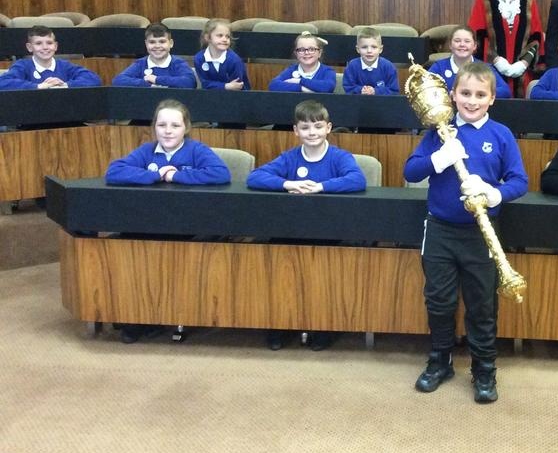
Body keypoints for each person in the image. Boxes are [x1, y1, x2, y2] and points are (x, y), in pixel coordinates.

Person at [403, 62, 528, 403]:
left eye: (480, 95)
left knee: (482, 304)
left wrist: (493, 193)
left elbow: (519, 181)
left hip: (481, 235)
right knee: (439, 301)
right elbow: (411, 172)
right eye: (465, 93)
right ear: (453, 95)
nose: (472, 101)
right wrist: (440, 159)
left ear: (492, 99)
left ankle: (484, 369)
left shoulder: (501, 135)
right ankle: (440, 361)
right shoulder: (438, 133)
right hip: (440, 230)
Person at [105, 99, 231, 344]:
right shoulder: (147, 151)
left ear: (186, 128)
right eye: (162, 125)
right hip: (148, 223)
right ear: (154, 127)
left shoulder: (196, 150)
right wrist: (154, 175)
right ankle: (138, 316)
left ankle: (163, 313)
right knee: (128, 249)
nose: (168, 131)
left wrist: (176, 175)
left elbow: (220, 173)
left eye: (175, 125)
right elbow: (114, 171)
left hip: (187, 226)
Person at [247, 99, 366, 351]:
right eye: (305, 127)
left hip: (330, 232)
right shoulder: (289, 158)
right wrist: (287, 184)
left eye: (318, 127)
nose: (312, 133)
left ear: (328, 128)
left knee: (324, 274)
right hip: (292, 230)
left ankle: (323, 326)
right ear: (295, 131)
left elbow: (357, 180)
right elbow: (255, 177)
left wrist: (321, 187)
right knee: (280, 266)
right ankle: (281, 324)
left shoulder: (339, 157)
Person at [468, 0, 544, 97]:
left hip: (522, 73)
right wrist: (496, 60)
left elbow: (536, 36)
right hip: (490, 69)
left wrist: (523, 63)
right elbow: (477, 34)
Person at [0, 26, 101, 90]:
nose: (45, 47)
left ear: (55, 46)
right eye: (38, 43)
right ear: (29, 47)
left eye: (49, 43)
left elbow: (94, 79)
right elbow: (3, 82)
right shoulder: (22, 65)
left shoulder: (64, 65)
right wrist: (38, 86)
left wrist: (65, 85)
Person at [427, 25, 511, 98]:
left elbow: (505, 91)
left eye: (467, 41)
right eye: (457, 41)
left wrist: (479, 93)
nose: (462, 44)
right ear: (450, 45)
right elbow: (425, 89)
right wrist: (449, 94)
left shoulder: (485, 68)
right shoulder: (439, 67)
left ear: (474, 46)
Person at [111, 24, 197, 88]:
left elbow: (189, 82)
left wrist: (156, 79)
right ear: (146, 44)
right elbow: (118, 80)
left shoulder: (178, 63)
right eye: (152, 42)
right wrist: (147, 84)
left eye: (162, 42)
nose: (157, 46)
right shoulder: (140, 64)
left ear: (171, 43)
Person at [268, 31, 337, 93]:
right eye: (301, 50)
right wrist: (301, 88)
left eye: (311, 49)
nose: (306, 53)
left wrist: (299, 81)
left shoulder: (327, 71)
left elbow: (328, 87)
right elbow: (273, 85)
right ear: (296, 53)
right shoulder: (291, 70)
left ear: (320, 53)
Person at [193, 19, 250, 90]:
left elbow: (237, 86)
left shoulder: (234, 60)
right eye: (220, 35)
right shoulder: (199, 58)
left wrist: (226, 87)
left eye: (227, 36)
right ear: (207, 37)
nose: (225, 39)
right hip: (209, 95)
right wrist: (226, 86)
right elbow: (205, 84)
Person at [342, 27, 399, 95]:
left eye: (374, 47)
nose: (369, 51)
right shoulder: (352, 66)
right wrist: (360, 90)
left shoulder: (388, 67)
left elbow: (394, 91)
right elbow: (348, 88)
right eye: (364, 47)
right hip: (357, 101)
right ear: (358, 49)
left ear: (380, 49)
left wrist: (376, 91)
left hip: (382, 102)